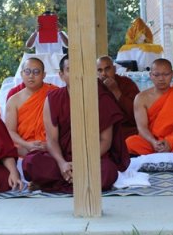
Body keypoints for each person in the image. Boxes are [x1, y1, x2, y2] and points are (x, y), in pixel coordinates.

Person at [22, 55, 130, 193]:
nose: (76, 74)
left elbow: (105, 141)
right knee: (31, 162)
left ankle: (52, 183)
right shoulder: (53, 99)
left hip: (92, 158)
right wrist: (62, 163)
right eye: (69, 70)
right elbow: (52, 140)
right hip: (63, 158)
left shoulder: (101, 98)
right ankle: (78, 181)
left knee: (108, 171)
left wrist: (82, 162)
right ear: (61, 75)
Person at [125, 58, 173, 155]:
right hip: (152, 142)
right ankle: (168, 156)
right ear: (150, 75)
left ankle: (157, 157)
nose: (161, 79)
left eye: (166, 74)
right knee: (131, 142)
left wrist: (169, 142)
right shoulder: (141, 98)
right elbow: (142, 127)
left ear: (172, 74)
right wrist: (154, 142)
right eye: (156, 75)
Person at [5, 58, 58, 157]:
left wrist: (50, 144)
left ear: (44, 75)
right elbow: (10, 131)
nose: (31, 76)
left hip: (52, 145)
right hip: (24, 146)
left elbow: (64, 124)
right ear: (22, 74)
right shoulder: (13, 100)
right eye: (27, 72)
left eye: (36, 72)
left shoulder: (55, 94)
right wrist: (27, 144)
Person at [96, 55, 140, 139]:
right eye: (100, 70)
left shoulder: (126, 83)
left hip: (126, 129)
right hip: (104, 130)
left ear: (114, 69)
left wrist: (115, 91)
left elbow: (137, 112)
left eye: (107, 69)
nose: (104, 73)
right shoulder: (95, 87)